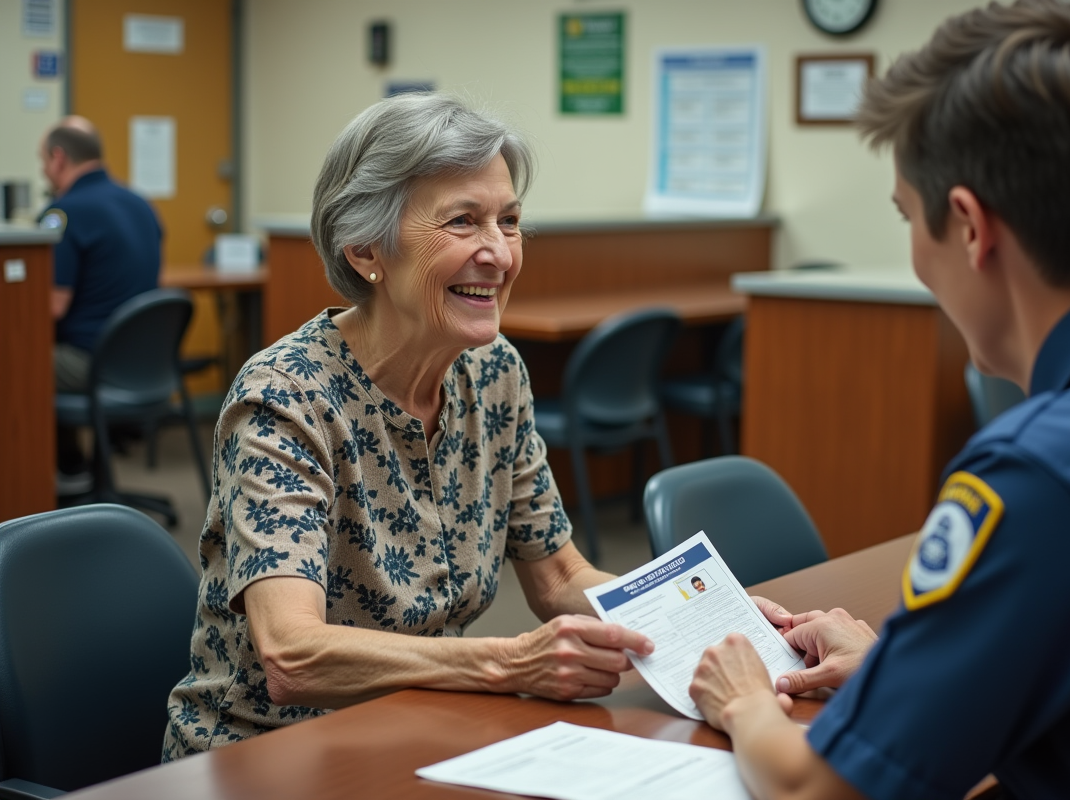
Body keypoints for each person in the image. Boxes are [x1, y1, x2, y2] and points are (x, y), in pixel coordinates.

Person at [162, 92, 791, 758]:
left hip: (425, 728)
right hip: (267, 756)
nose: (499, 253)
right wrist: (512, 663)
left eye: (510, 221)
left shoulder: (494, 373)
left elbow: (556, 579)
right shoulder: (284, 399)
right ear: (366, 248)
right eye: (463, 222)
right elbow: (293, 654)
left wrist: (710, 622)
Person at [689, 1, 1070, 798]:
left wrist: (747, 701)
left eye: (906, 216)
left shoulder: (1045, 473)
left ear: (969, 227)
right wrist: (908, 671)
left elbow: (815, 789)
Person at [39, 117, 162, 487]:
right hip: (146, 361)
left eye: (43, 162)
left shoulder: (63, 213)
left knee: (18, 362)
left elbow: (52, 307)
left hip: (93, 361)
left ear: (59, 158)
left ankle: (62, 471)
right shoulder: (141, 204)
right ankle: (74, 466)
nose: (44, 171)